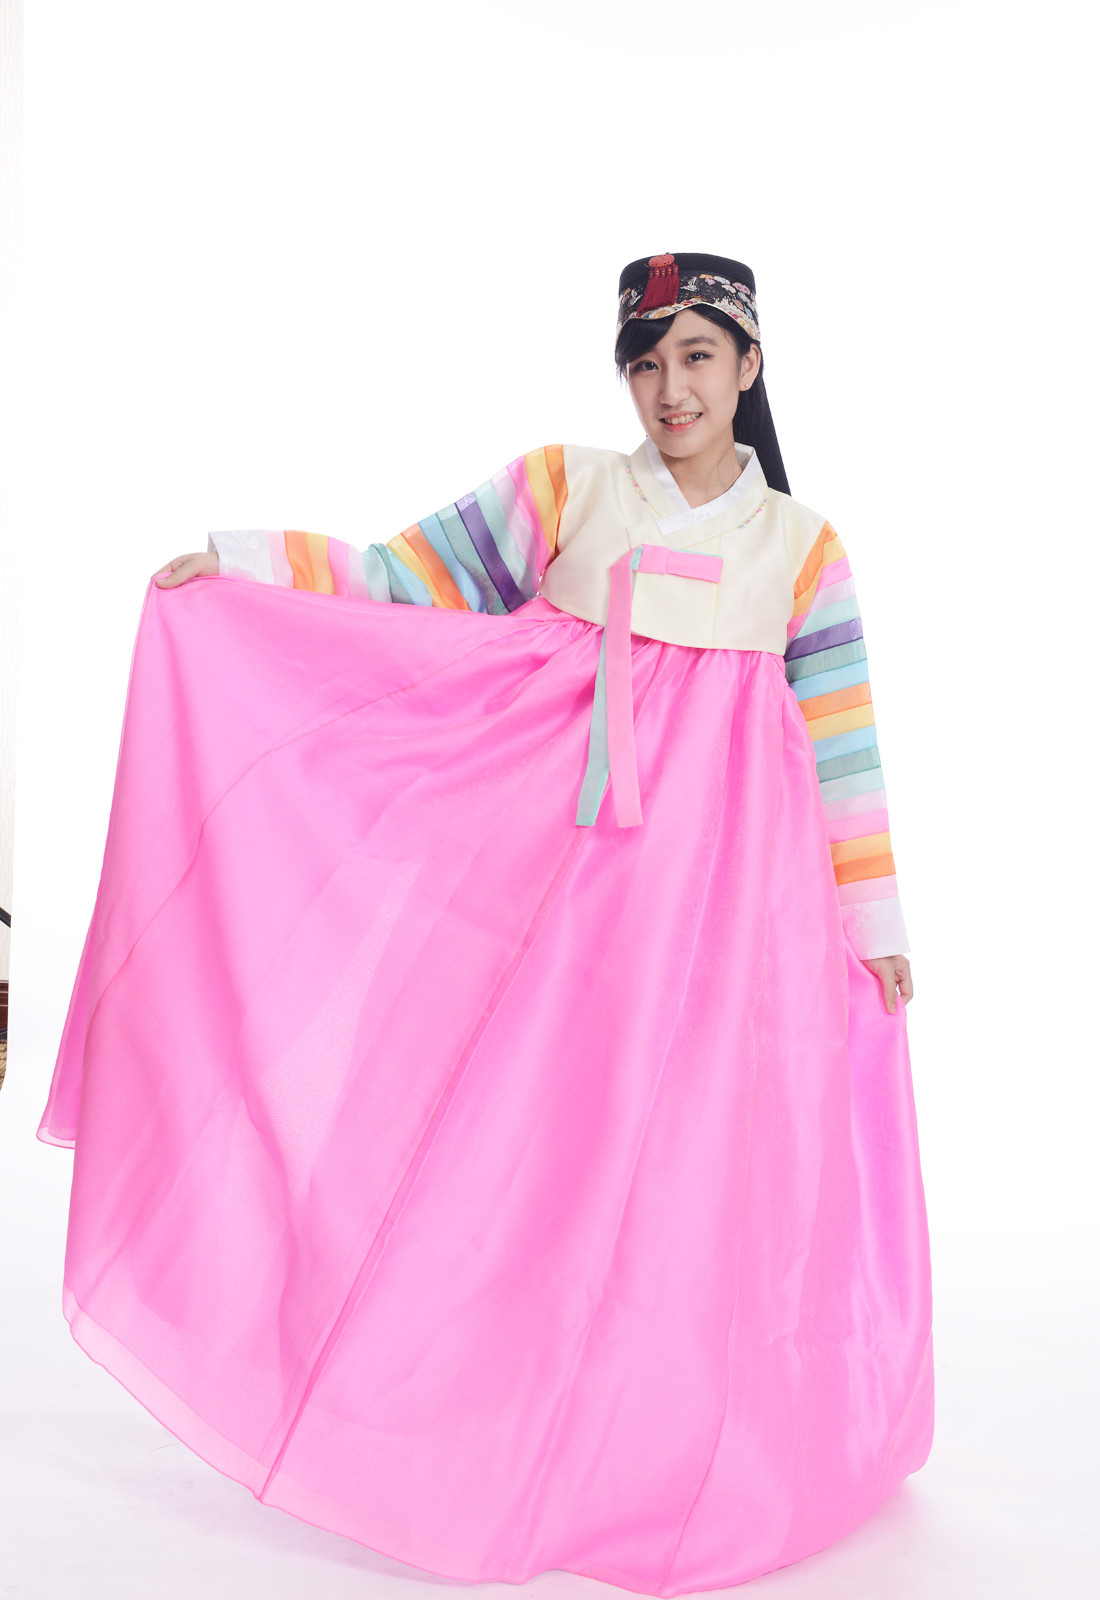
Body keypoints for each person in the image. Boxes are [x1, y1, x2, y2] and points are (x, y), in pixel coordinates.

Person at [40, 253, 933, 1595]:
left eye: (699, 356)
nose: (671, 389)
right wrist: (241, 563)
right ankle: (487, 1403)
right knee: (538, 1140)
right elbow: (405, 578)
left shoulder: (800, 551)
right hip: (562, 888)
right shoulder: (569, 489)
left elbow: (840, 741)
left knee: (694, 1159)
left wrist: (871, 923)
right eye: (646, 362)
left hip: (719, 912)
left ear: (750, 367)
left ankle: (667, 1433)